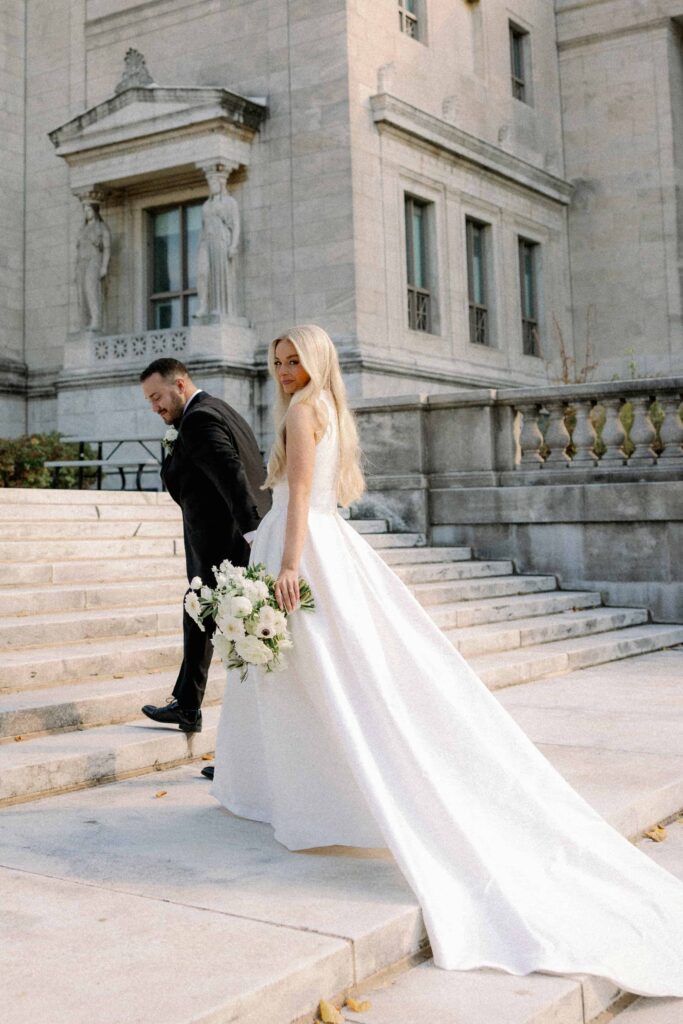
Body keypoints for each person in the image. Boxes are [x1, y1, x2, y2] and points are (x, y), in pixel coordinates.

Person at [210, 324, 683, 998]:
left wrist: (286, 566)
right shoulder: (329, 407)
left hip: (306, 553)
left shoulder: (300, 409)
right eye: (278, 361)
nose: (284, 370)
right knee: (309, 679)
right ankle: (297, 789)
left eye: (294, 361)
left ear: (314, 363)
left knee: (313, 679)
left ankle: (307, 794)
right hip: (325, 548)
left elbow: (300, 499)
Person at [140, 358, 270, 735]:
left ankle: (244, 745)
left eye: (157, 397)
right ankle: (187, 705)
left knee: (245, 646)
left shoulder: (198, 419)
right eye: (149, 400)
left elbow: (233, 473)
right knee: (197, 616)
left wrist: (254, 536)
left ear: (180, 385)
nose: (154, 407)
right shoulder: (217, 408)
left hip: (227, 547)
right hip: (219, 545)